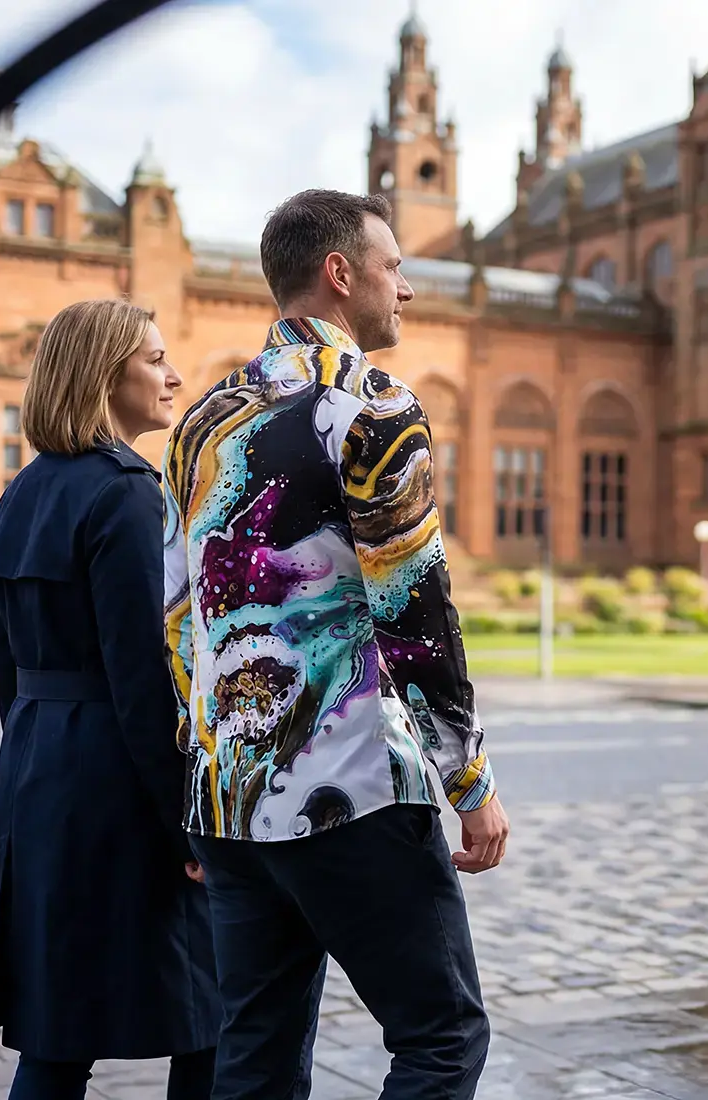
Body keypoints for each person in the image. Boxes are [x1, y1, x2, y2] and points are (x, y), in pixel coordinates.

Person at [162, 189, 509, 1100]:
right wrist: (468, 781)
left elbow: (178, 620)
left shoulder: (201, 422)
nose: (408, 289)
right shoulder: (372, 404)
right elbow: (416, 615)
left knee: (257, 1057)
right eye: (395, 267)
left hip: (229, 799)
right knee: (442, 1038)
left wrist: (199, 780)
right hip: (349, 786)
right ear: (341, 273)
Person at [0, 299, 219, 1100]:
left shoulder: (20, 493)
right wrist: (186, 822)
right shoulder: (128, 494)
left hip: (37, 774)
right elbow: (144, 678)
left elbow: (8, 673)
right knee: (212, 1016)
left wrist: (37, 757)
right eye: (155, 359)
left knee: (58, 1032)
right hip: (121, 786)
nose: (174, 375)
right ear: (102, 376)